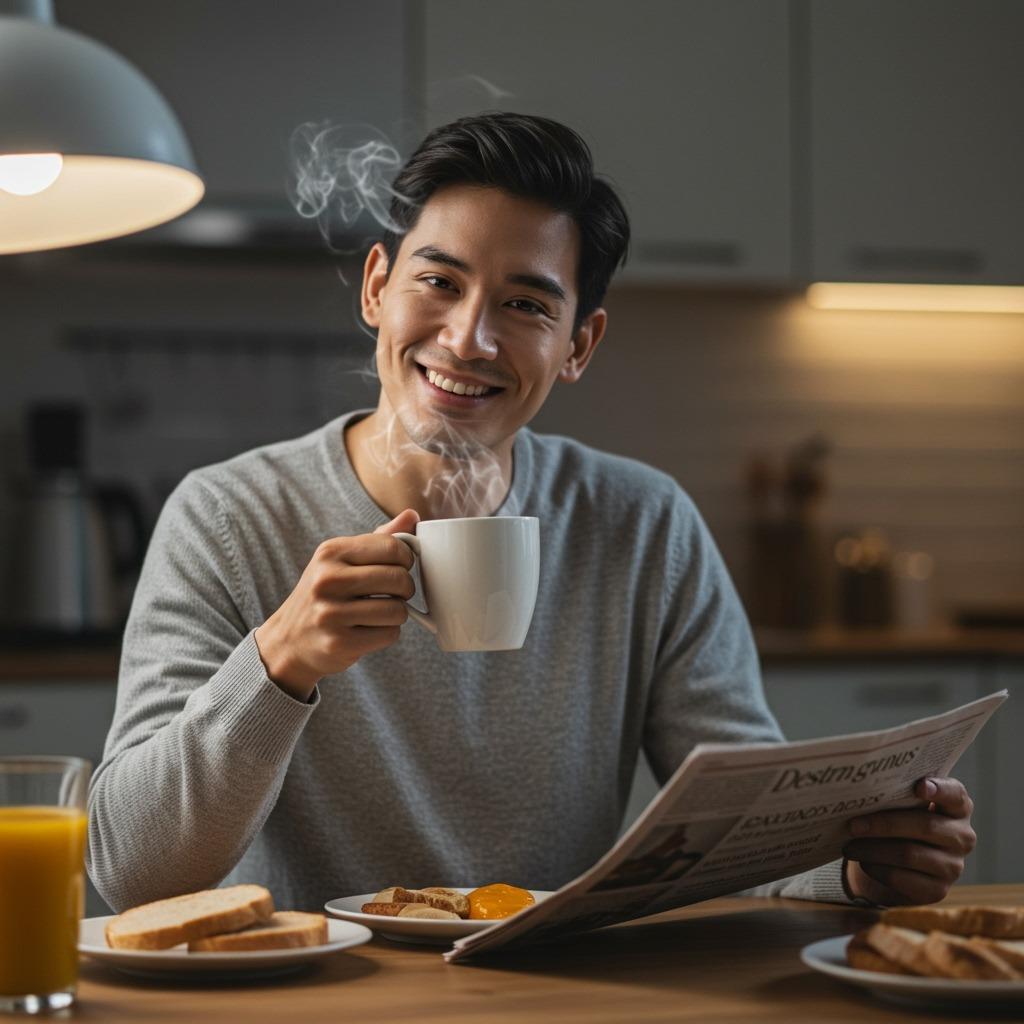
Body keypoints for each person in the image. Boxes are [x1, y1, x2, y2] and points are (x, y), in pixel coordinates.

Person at [88, 113, 975, 914]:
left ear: (578, 345)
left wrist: (857, 868)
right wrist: (279, 664)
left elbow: (742, 829)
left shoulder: (643, 524)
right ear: (376, 290)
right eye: (438, 282)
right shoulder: (228, 517)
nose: (469, 337)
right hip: (316, 999)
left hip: (562, 990)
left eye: (524, 304)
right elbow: (130, 872)